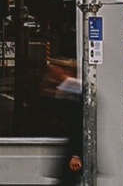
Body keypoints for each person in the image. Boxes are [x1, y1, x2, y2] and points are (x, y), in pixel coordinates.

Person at [47, 58, 83, 186]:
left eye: (54, 70)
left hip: (75, 149)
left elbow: (77, 124)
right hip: (72, 147)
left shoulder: (72, 90)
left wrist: (76, 154)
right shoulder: (66, 89)